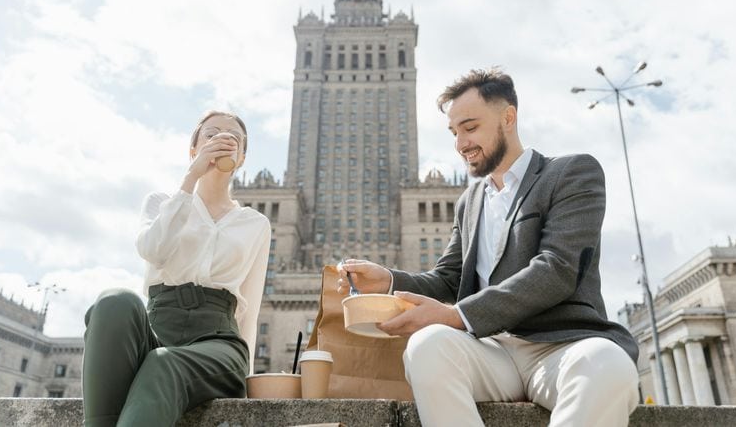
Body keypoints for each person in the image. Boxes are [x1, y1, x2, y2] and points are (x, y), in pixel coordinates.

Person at [338, 69, 640, 427]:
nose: (460, 143)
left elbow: (557, 269)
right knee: (427, 348)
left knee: (609, 364)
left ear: (508, 118)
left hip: (562, 346)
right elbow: (448, 279)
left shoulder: (571, 173)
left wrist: (454, 316)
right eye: (454, 133)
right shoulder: (469, 202)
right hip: (491, 352)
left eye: (470, 127)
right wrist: (387, 280)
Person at [82, 110, 271, 427]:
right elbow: (152, 249)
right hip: (158, 328)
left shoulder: (256, 224)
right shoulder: (162, 202)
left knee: (163, 363)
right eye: (210, 135)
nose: (222, 140)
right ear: (193, 150)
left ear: (241, 158)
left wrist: (247, 381)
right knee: (115, 301)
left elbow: (249, 310)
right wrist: (190, 179)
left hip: (219, 343)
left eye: (233, 138)